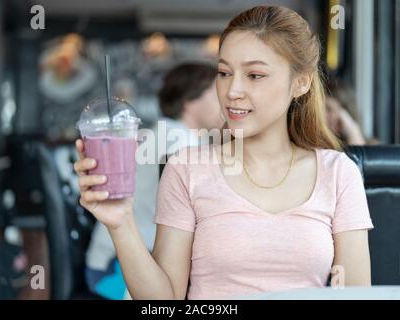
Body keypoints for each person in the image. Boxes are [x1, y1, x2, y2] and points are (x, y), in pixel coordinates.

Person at [74, 6, 374, 300]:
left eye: (255, 75)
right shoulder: (187, 168)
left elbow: (354, 296)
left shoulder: (338, 173)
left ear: (301, 82)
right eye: (224, 73)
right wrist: (120, 223)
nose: (232, 91)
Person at [83, 62, 222, 299]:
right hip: (116, 273)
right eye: (217, 93)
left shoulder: (171, 135)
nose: (226, 102)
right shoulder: (178, 143)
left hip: (120, 263)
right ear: (191, 100)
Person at [325, 80, 378, 146]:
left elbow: (356, 155)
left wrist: (352, 130)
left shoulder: (375, 147)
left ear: (345, 113)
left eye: (328, 109)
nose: (322, 115)